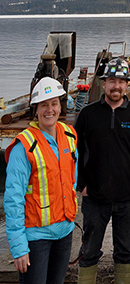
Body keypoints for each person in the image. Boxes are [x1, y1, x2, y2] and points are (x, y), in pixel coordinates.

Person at [75, 57, 130, 284]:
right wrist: (81, 184)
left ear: (127, 85)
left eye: (121, 81)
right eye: (112, 80)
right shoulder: (88, 115)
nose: (116, 86)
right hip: (95, 199)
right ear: (103, 83)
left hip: (128, 199)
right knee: (89, 252)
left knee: (125, 250)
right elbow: (74, 152)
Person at [4, 77, 78, 284]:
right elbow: (13, 199)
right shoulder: (24, 147)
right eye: (44, 105)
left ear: (60, 106)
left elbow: (73, 179)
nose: (50, 110)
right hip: (36, 239)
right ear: (35, 110)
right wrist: (19, 247)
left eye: (54, 103)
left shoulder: (69, 135)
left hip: (64, 233)